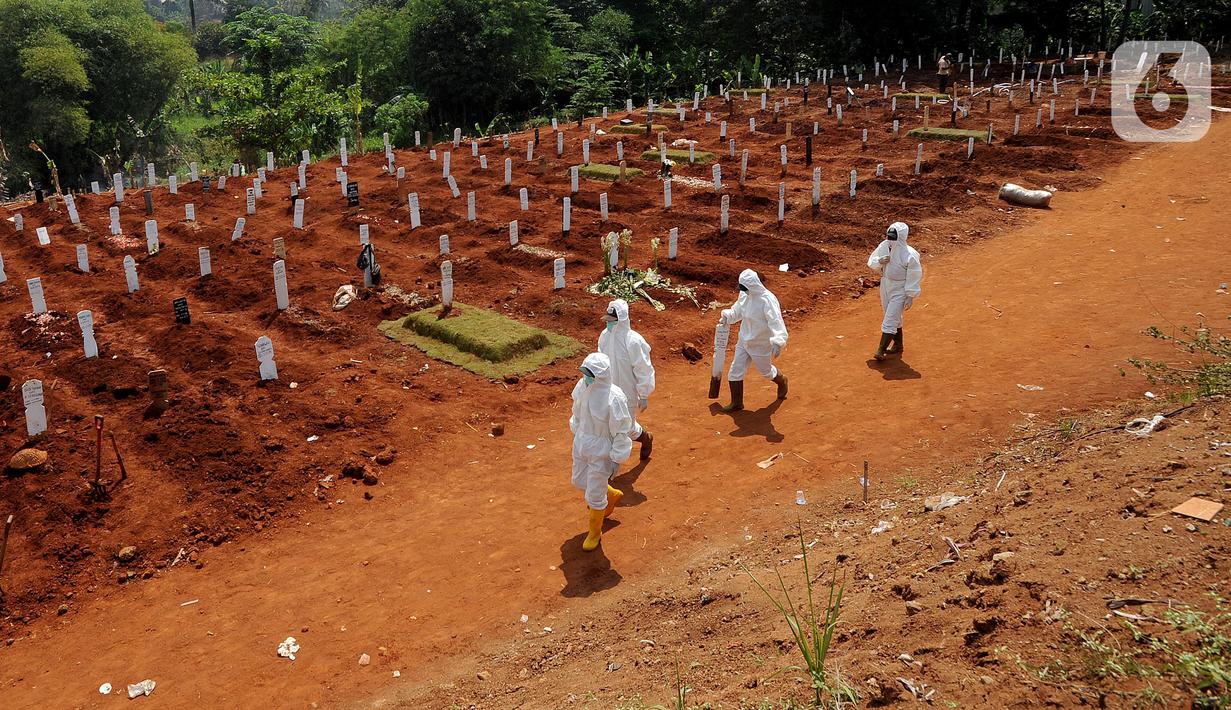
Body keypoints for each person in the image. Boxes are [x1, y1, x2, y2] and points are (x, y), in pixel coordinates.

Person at [570, 352, 634, 551]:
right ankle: (612, 494)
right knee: (579, 480)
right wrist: (576, 429)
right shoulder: (582, 386)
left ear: (601, 375)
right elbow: (576, 411)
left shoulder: (614, 398)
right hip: (581, 441)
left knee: (595, 495)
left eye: (590, 374)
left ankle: (594, 533)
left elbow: (622, 430)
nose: (585, 376)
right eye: (584, 372)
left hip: (601, 449)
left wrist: (616, 458)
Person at [719, 269, 789, 412]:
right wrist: (728, 316)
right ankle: (737, 403)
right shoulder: (744, 295)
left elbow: (776, 321)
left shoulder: (767, 300)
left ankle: (782, 380)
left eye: (744, 288)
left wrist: (778, 341)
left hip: (760, 343)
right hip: (744, 340)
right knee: (735, 371)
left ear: (752, 285)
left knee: (766, 372)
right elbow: (737, 310)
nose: (742, 290)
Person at [598, 299, 656, 460]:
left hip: (627, 392)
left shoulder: (634, 341)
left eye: (612, 321)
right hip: (607, 390)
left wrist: (643, 394)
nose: (608, 325)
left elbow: (643, 369)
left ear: (621, 320)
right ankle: (608, 465)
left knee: (625, 428)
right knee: (607, 426)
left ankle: (645, 437)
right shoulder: (604, 336)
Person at [867, 222, 923, 361]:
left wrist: (910, 295)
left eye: (893, 237)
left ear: (902, 238)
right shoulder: (884, 246)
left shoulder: (910, 254)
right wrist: (879, 261)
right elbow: (872, 261)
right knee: (890, 314)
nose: (890, 239)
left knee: (890, 318)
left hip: (900, 288)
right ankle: (898, 345)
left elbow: (914, 275)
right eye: (889, 236)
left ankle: (881, 350)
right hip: (885, 284)